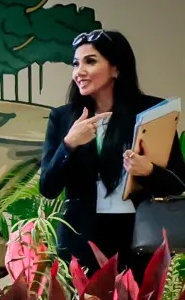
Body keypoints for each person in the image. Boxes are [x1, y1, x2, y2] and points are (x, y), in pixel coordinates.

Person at [39, 29, 179, 270]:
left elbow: (178, 183)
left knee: (138, 296)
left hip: (139, 240)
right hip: (81, 242)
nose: (79, 72)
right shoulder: (63, 118)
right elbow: (48, 188)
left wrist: (149, 171)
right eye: (76, 63)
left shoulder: (153, 112)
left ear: (116, 69)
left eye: (90, 61)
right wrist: (69, 144)